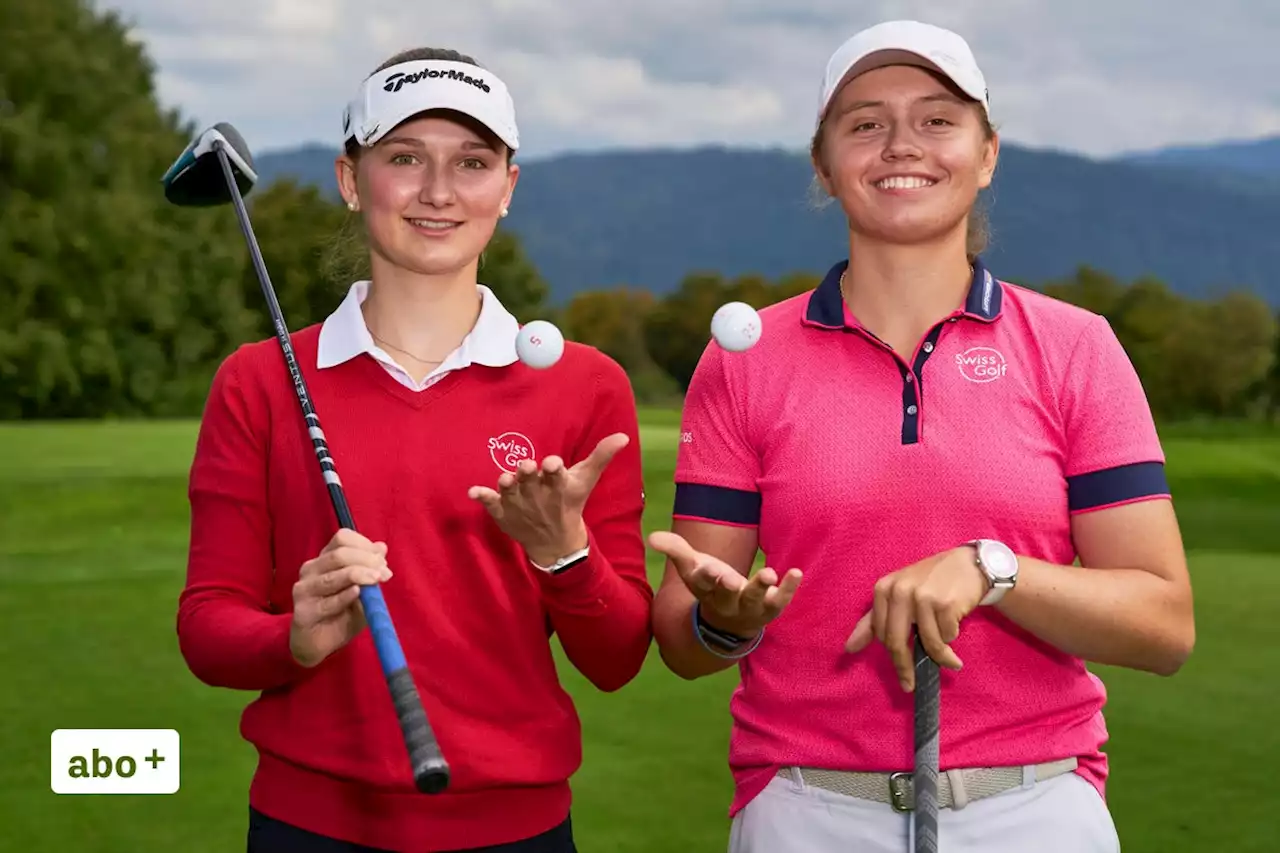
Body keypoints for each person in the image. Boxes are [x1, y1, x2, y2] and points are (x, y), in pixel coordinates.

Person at [648, 19, 1195, 853]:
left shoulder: (1076, 347)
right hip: (806, 808)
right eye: (865, 122)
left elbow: (1163, 627)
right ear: (825, 167)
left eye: (938, 119)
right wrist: (727, 620)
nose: (902, 143)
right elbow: (685, 640)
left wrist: (992, 569)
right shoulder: (744, 361)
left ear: (987, 154)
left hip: (1035, 806)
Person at [176, 46, 653, 853]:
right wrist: (291, 636)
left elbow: (615, 658)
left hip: (516, 829)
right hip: (308, 826)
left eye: (471, 162)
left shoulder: (586, 386)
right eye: (404, 158)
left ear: (507, 188)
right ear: (352, 179)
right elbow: (206, 626)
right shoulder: (257, 381)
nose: (438, 191)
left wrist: (563, 553)